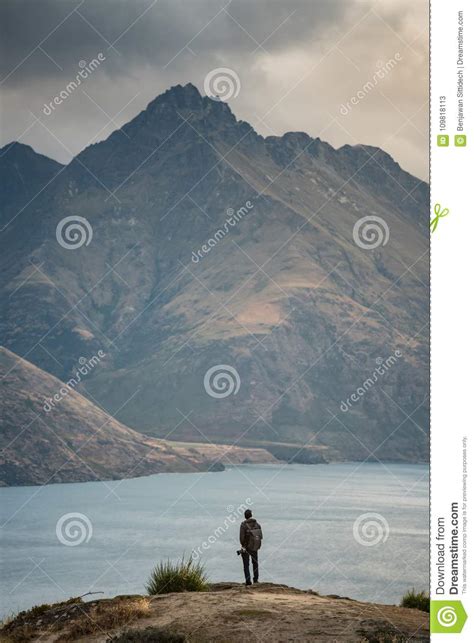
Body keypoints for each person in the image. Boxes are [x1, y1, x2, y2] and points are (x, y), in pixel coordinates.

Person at [239, 509, 263, 586]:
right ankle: (255, 579)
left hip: (246, 547)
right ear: (251, 515)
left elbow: (241, 538)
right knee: (255, 563)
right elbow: (260, 536)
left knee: (246, 564)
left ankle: (248, 581)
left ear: (245, 516)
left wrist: (243, 545)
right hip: (254, 546)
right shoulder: (257, 524)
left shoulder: (243, 525)